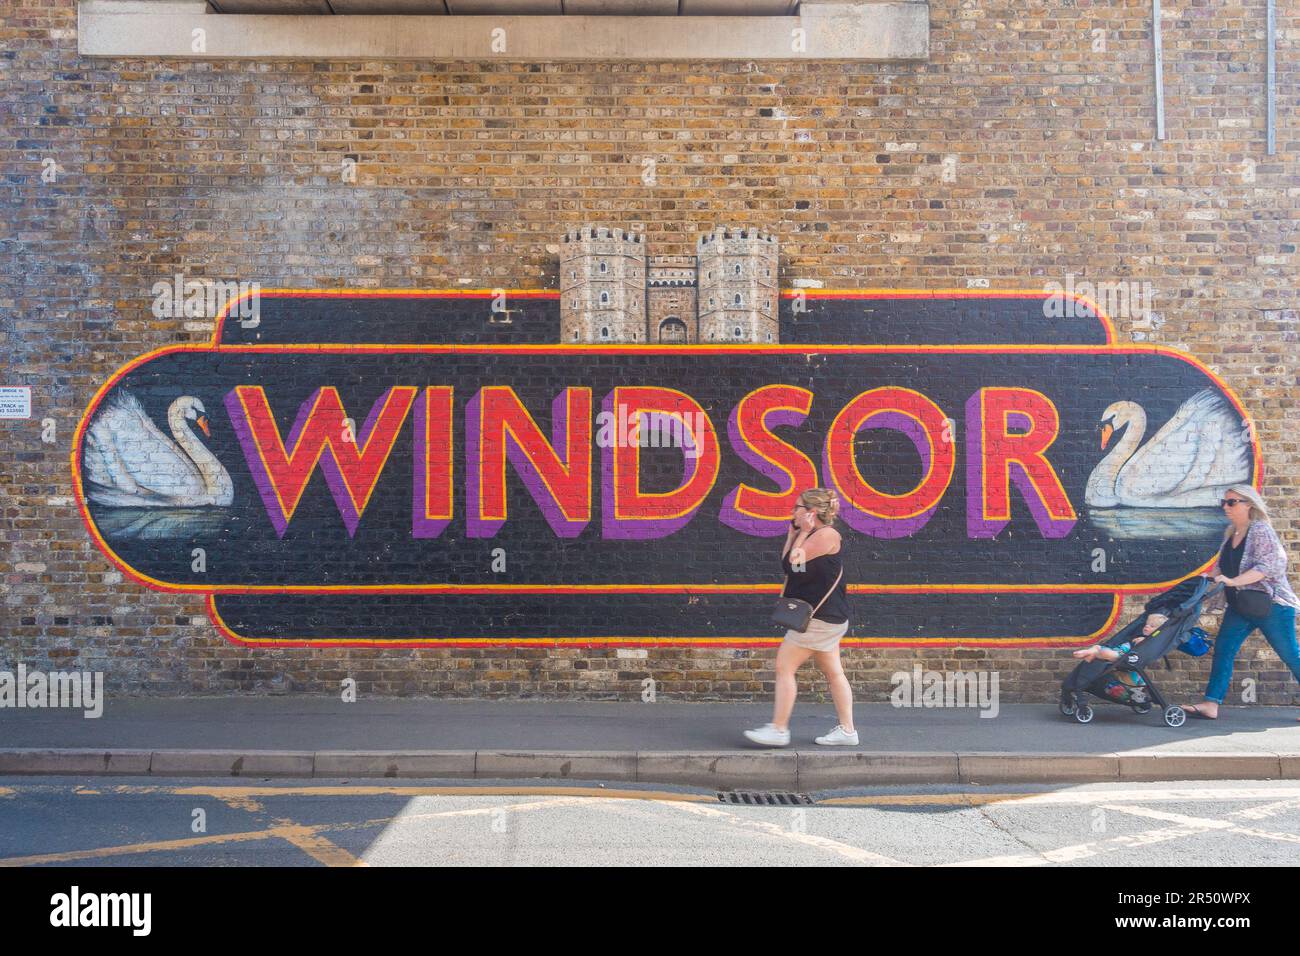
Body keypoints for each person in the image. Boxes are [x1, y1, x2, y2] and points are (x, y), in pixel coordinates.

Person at [744, 488, 857, 747]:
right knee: (834, 673)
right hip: (827, 618)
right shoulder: (813, 535)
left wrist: (802, 533)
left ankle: (779, 729)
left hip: (818, 621)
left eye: (797, 507)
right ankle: (848, 731)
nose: (792, 511)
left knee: (784, 667)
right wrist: (793, 534)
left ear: (811, 512)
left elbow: (792, 562)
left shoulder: (826, 535)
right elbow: (788, 565)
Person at [1181, 485, 1300, 719]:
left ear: (1249, 504)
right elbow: (1222, 568)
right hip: (1241, 606)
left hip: (1271, 606)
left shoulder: (1260, 530)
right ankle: (1211, 704)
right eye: (1224, 502)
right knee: (1224, 650)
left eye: (1232, 502)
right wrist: (1207, 578)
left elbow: (1271, 565)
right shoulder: (1231, 532)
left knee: (1290, 654)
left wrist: (1234, 581)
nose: (1226, 507)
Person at [1072, 613, 1167, 704]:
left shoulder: (1150, 642)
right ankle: (1092, 652)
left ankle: (1094, 653)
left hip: (1123, 657)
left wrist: (1143, 640)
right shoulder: (1143, 638)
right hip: (1120, 651)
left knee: (1106, 653)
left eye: (1152, 626)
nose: (1147, 627)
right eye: (1146, 624)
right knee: (1099, 648)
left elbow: (1147, 647)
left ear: (1158, 632)